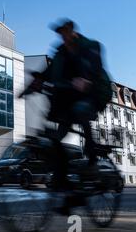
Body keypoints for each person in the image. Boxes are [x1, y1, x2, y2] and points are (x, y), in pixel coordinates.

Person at [30, 19, 107, 191]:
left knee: (80, 111)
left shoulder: (91, 47)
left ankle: (93, 159)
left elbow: (96, 70)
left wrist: (88, 82)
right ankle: (63, 179)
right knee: (57, 135)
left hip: (95, 94)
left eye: (65, 32)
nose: (63, 37)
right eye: (60, 34)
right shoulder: (61, 53)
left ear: (73, 31)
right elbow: (51, 72)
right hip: (71, 97)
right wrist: (37, 81)